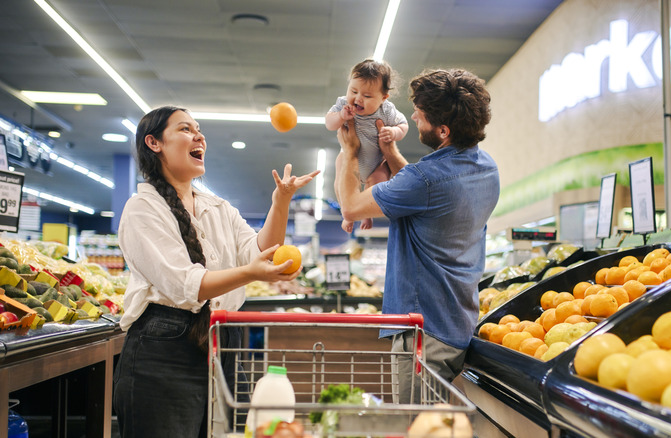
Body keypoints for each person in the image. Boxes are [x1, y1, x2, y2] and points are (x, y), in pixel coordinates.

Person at [113, 106, 318, 437]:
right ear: (154, 143)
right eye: (185, 129)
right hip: (164, 349)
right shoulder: (142, 210)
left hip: (222, 342)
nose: (199, 136)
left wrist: (281, 202)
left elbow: (260, 253)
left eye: (199, 128)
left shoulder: (218, 208)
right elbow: (187, 284)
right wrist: (252, 273)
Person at [335, 68, 500, 402]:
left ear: (442, 130)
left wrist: (349, 150)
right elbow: (426, 189)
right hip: (458, 323)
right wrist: (392, 155)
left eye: (421, 116)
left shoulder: (425, 180)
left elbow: (351, 206)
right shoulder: (487, 168)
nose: (412, 116)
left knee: (416, 426)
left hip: (423, 331)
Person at [325, 59, 409, 233]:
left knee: (378, 183)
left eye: (367, 96)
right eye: (353, 91)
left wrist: (394, 132)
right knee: (340, 181)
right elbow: (329, 123)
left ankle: (366, 213)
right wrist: (341, 116)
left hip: (376, 163)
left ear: (383, 98)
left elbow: (403, 125)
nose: (358, 98)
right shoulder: (343, 104)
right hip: (348, 158)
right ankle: (346, 214)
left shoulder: (387, 110)